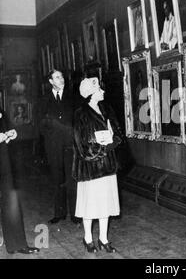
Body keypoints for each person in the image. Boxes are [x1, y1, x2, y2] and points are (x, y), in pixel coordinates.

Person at [73, 77, 122, 253]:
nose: (103, 92)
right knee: (90, 204)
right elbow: (81, 143)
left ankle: (103, 238)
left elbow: (117, 131)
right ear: (91, 93)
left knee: (105, 203)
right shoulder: (81, 113)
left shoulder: (106, 109)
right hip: (91, 167)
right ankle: (87, 238)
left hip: (107, 165)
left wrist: (113, 141)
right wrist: (101, 149)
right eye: (99, 90)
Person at [40, 69, 80, 225]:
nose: (61, 79)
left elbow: (78, 120)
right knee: (57, 179)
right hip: (53, 146)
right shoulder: (44, 100)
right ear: (51, 81)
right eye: (57, 77)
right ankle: (59, 213)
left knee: (72, 178)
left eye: (62, 76)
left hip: (70, 145)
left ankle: (75, 214)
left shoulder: (73, 97)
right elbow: (41, 124)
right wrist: (51, 136)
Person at [0, 109, 39, 255]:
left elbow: (6, 130)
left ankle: (17, 244)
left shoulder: (2, 112)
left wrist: (10, 135)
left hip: (4, 162)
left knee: (11, 202)